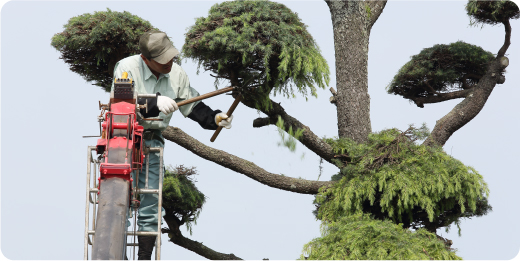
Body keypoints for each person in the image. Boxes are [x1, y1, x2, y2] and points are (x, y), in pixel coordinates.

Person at [111, 31, 233, 260]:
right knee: (120, 200)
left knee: (151, 201)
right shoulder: (127, 68)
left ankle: (144, 257)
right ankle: (118, 256)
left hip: (152, 141)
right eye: (162, 59)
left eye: (170, 57)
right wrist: (153, 102)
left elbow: (192, 105)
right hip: (122, 139)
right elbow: (121, 102)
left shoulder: (176, 74)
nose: (169, 62)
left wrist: (215, 118)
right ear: (145, 59)